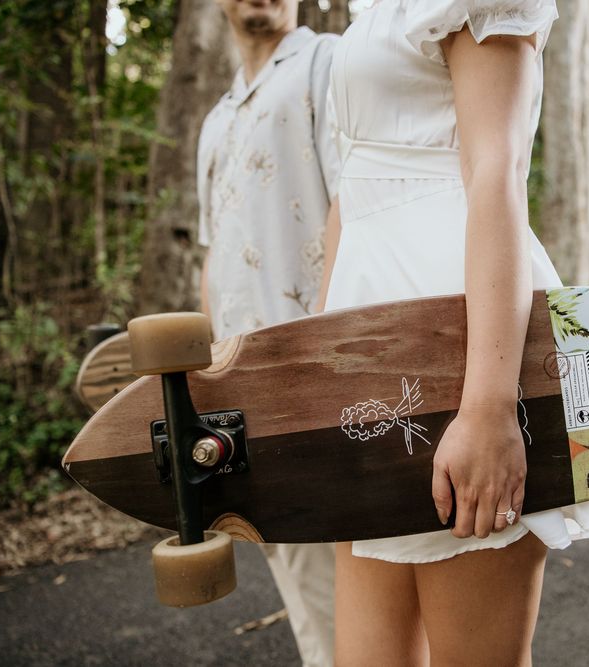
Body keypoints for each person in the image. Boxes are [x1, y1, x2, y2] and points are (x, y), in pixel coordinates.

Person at [318, 1, 589, 664]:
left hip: (463, 344)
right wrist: (324, 364)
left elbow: (497, 173)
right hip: (369, 361)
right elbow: (349, 196)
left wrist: (490, 407)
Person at [196, 1, 339, 665]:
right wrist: (209, 374)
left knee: (349, 593)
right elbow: (213, 254)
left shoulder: (324, 61)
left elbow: (353, 206)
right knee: (304, 591)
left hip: (317, 375)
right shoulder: (216, 119)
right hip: (242, 394)